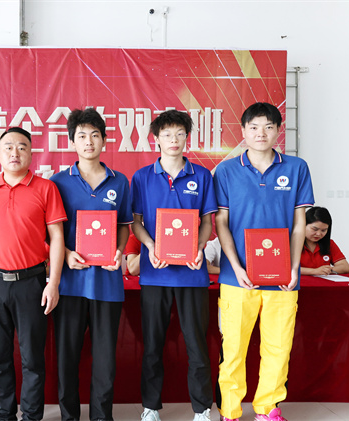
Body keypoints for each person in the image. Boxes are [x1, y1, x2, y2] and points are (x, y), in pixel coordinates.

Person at [214, 102, 314, 421]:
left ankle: (268, 407)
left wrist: (294, 266)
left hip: (282, 278)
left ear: (278, 131)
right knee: (233, 348)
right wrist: (236, 266)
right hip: (236, 278)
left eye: (268, 127)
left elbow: (299, 224)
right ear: (243, 131)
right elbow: (221, 222)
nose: (261, 133)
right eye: (254, 127)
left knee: (278, 346)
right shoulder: (226, 170)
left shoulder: (296, 168)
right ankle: (230, 410)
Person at [0, 127, 67, 421]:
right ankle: (4, 414)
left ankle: (32, 415)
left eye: (22, 147)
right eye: (8, 147)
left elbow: (57, 237)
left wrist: (53, 283)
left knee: (32, 357)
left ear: (31, 153)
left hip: (32, 283)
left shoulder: (46, 188)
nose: (15, 152)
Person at [130, 109, 217, 421]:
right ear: (156, 138)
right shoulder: (141, 177)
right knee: (153, 345)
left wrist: (199, 247)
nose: (174, 140)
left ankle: (202, 409)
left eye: (180, 133)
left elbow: (207, 222)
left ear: (187, 137)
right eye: (167, 134)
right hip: (155, 273)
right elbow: (136, 223)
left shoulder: (202, 176)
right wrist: (151, 246)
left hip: (192, 274)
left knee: (196, 345)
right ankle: (150, 407)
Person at [49, 108, 132, 421]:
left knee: (105, 360)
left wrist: (119, 250)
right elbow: (49, 233)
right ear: (72, 142)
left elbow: (123, 225)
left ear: (104, 140)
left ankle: (101, 416)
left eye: (95, 135)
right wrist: (67, 253)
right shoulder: (57, 182)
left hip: (107, 284)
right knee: (67, 357)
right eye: (81, 136)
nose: (88, 141)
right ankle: (69, 416)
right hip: (69, 283)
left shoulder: (119, 182)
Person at [300, 206, 349, 275]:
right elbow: (286, 270)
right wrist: (314, 271)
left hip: (322, 281)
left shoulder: (329, 243)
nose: (318, 234)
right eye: (315, 229)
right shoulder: (291, 243)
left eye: (323, 230)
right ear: (303, 225)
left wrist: (326, 270)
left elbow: (345, 267)